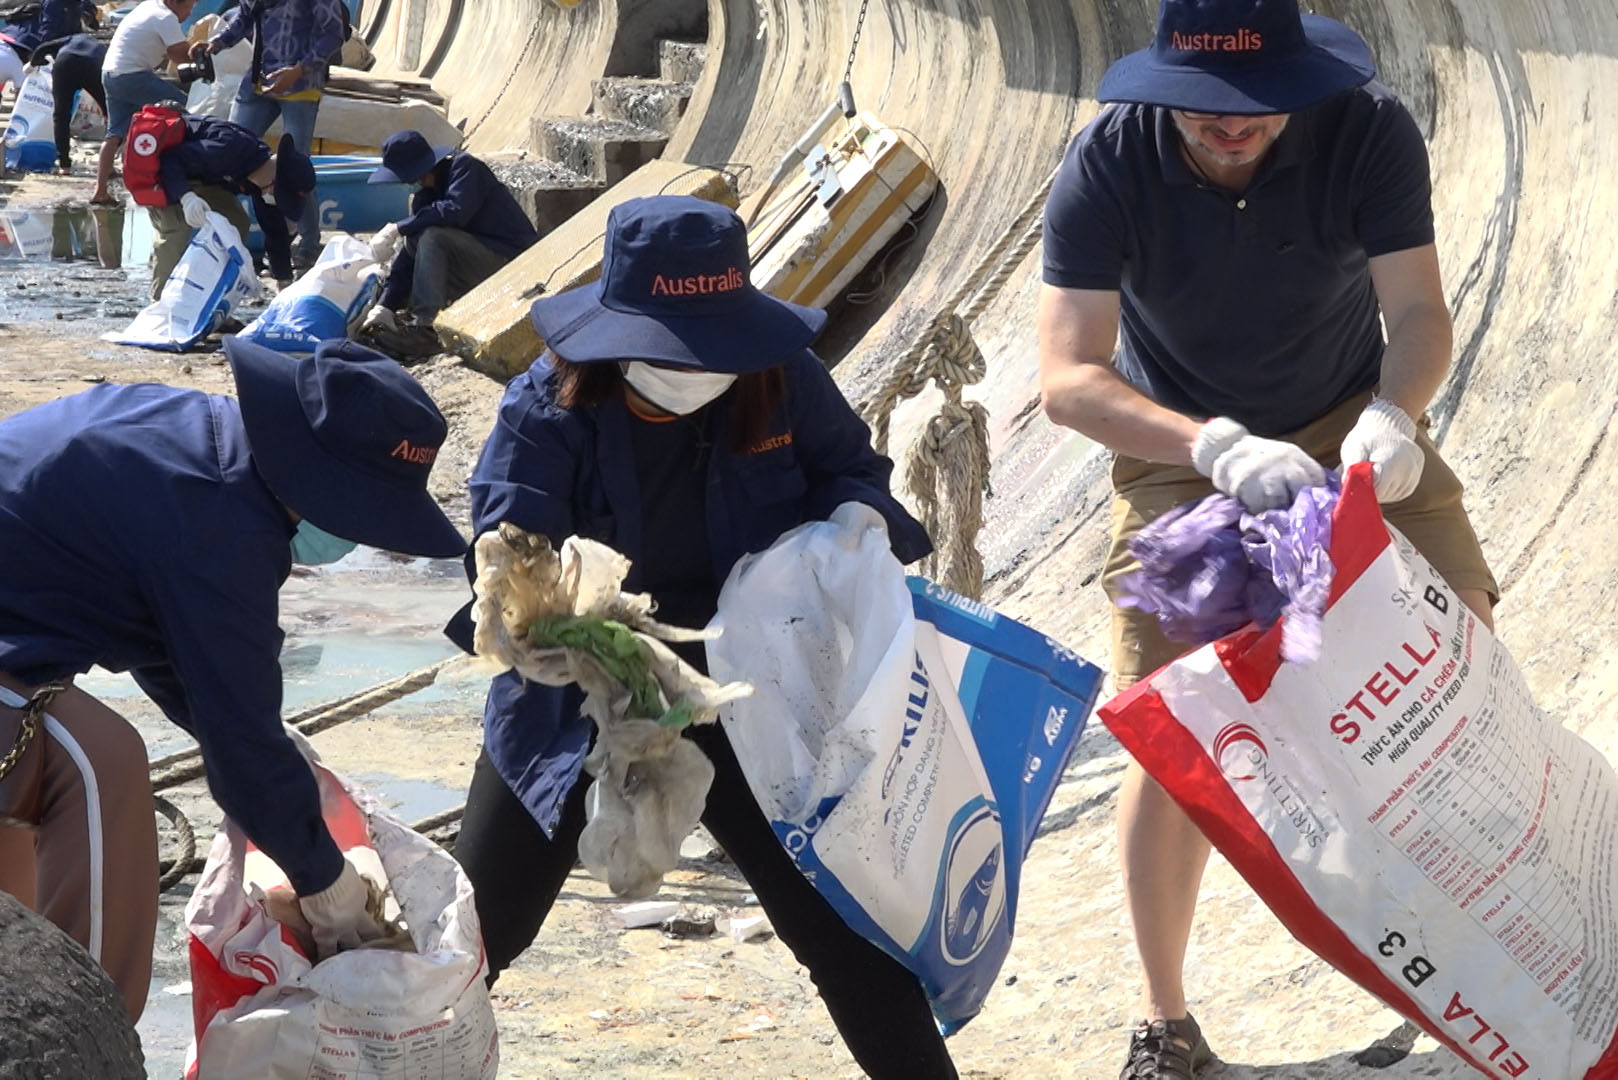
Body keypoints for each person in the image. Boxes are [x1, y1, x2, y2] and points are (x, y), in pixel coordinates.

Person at [1035, 1, 1499, 1075]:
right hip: (1179, 440)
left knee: (1462, 643)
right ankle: (1163, 1024)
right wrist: (1211, 447)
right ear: (1164, 85)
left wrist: (1394, 417)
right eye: (1207, 105)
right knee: (1171, 718)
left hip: (1350, 420)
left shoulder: (1366, 129)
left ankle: (1491, 965)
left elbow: (1418, 312)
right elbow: (1068, 377)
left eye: (1259, 101)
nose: (1234, 123)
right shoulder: (1106, 162)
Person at [444, 195, 960, 1080]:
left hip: (750, 690)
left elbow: (850, 468)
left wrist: (856, 517)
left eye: (708, 347)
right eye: (668, 349)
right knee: (478, 929)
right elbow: (506, 550)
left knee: (839, 931)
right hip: (584, 691)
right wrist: (536, 612)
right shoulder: (548, 402)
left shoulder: (781, 376)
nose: (692, 369)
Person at [0, 339, 468, 1022]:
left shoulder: (208, 447)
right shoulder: (219, 523)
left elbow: (172, 648)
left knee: (23, 838)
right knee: (96, 764)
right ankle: (85, 1035)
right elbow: (239, 746)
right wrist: (327, 884)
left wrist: (270, 746)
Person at [191, 0, 348, 269]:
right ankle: (220, 232)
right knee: (230, 150)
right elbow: (244, 16)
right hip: (258, 80)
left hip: (301, 85)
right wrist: (216, 43)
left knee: (295, 165)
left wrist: (299, 70)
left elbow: (333, 34)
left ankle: (308, 243)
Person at [359, 129, 540, 361]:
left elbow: (455, 211)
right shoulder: (426, 196)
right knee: (415, 241)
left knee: (432, 236)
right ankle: (410, 314)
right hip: (474, 267)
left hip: (511, 264)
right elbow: (408, 256)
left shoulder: (466, 168)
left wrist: (398, 227)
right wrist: (386, 305)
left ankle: (427, 330)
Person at [146, 114, 315, 297]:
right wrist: (186, 196)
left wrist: (284, 283)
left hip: (203, 178)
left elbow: (275, 231)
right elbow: (170, 159)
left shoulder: (261, 181)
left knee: (236, 222)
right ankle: (160, 299)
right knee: (176, 228)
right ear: (274, 181)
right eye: (278, 195)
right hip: (163, 171)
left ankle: (209, 288)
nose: (274, 200)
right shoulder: (228, 148)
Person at [97, 0, 195, 205]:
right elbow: (181, 55)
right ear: (174, 3)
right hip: (132, 76)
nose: (190, 13)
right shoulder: (165, 17)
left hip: (111, 74)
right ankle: (184, 172)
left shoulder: (149, 6)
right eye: (189, 7)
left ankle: (100, 191)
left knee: (114, 133)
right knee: (186, 109)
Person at [28, 33, 106, 175]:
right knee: (110, 112)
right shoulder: (101, 47)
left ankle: (64, 165)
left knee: (61, 115)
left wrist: (34, 63)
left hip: (65, 64)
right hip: (92, 67)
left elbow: (42, 48)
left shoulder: (70, 39)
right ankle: (109, 160)